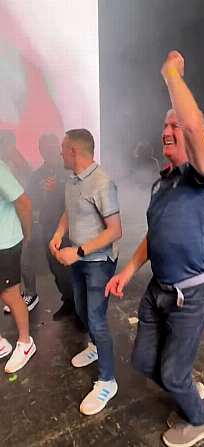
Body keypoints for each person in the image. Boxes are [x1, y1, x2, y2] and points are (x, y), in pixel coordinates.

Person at [105, 51, 204, 446]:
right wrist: (128, 271)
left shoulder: (202, 177)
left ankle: (199, 418)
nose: (168, 131)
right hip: (159, 290)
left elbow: (193, 123)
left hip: (193, 293)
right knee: (143, 362)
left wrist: (171, 74)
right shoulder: (164, 184)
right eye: (164, 126)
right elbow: (155, 237)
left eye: (175, 125)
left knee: (171, 374)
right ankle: (184, 384)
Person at [50, 129, 122, 415]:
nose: (60, 153)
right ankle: (94, 346)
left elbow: (116, 231)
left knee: (96, 317)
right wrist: (59, 233)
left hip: (99, 263)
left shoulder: (102, 183)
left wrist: (78, 251)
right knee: (81, 309)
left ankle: (107, 380)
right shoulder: (73, 180)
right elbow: (71, 210)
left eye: (62, 148)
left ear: (74, 152)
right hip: (79, 260)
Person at [6, 134, 75, 320]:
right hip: (48, 226)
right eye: (43, 147)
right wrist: (43, 193)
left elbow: (77, 195)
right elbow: (30, 200)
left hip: (71, 227)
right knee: (56, 268)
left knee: (73, 269)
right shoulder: (37, 175)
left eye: (51, 146)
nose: (48, 150)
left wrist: (58, 188)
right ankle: (68, 301)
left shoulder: (69, 168)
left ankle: (80, 307)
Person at [0, 158, 35, 373]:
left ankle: (25, 342)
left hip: (5, 243)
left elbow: (25, 203)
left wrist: (27, 235)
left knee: (10, 295)